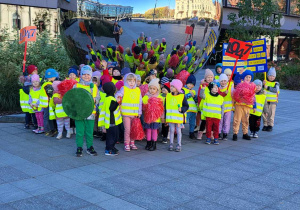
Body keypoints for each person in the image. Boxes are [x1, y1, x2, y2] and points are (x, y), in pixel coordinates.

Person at [74, 65, 100, 157]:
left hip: (90, 112)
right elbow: (72, 97)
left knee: (89, 132)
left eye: (88, 74)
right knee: (80, 131)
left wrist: (95, 100)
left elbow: (98, 98)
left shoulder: (94, 87)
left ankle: (90, 147)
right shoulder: (76, 85)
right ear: (80, 75)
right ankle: (79, 147)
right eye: (84, 74)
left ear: (91, 76)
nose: (86, 76)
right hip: (79, 112)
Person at [115, 73, 142, 151]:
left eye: (133, 81)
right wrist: (118, 97)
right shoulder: (124, 88)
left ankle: (132, 142)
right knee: (127, 129)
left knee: (133, 129)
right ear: (126, 81)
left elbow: (140, 101)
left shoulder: (137, 90)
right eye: (129, 81)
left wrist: (139, 112)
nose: (132, 83)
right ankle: (126, 143)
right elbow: (118, 95)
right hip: (126, 113)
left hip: (135, 114)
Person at [99, 82, 122, 156]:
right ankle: (109, 149)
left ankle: (111, 147)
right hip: (111, 121)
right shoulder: (110, 99)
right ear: (111, 90)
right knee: (112, 137)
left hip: (111, 121)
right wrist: (117, 103)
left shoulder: (108, 98)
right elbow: (111, 109)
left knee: (113, 136)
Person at [165, 79, 189, 152]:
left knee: (178, 131)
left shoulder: (182, 96)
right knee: (171, 130)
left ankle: (179, 144)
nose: (171, 88)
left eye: (173, 86)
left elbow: (186, 106)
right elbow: (165, 106)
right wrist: (164, 116)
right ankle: (171, 143)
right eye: (171, 86)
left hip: (178, 118)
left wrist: (181, 109)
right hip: (171, 117)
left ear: (177, 88)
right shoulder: (168, 96)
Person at [232, 69, 256, 141]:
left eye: (249, 77)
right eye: (246, 77)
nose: (248, 78)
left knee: (246, 120)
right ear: (243, 77)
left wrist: (254, 106)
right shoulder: (240, 83)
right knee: (237, 119)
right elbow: (236, 80)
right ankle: (235, 133)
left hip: (247, 106)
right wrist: (239, 74)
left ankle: (245, 133)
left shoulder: (252, 86)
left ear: (251, 78)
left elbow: (253, 96)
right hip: (239, 105)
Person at [143, 78, 164, 151]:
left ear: (157, 90)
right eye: (150, 88)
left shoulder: (159, 97)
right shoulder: (146, 96)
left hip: (156, 118)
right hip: (148, 117)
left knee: (154, 130)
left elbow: (161, 108)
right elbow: (144, 104)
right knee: (148, 130)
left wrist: (162, 117)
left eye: (154, 89)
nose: (152, 90)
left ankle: (154, 143)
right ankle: (148, 143)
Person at [196, 69, 214, 140]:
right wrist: (200, 105)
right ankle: (200, 132)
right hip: (204, 106)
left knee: (211, 121)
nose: (210, 79)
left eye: (211, 77)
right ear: (205, 78)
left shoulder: (214, 85)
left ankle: (211, 133)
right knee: (203, 121)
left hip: (211, 106)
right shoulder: (202, 86)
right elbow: (199, 96)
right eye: (208, 77)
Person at [40, 68, 58, 137]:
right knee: (47, 116)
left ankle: (52, 129)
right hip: (47, 103)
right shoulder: (48, 85)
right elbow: (51, 94)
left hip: (46, 103)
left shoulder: (45, 83)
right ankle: (48, 130)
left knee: (49, 116)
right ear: (51, 77)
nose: (55, 78)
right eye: (54, 77)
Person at [19, 65, 38, 129]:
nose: (36, 72)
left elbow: (24, 74)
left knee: (28, 113)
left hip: (27, 103)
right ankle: (35, 125)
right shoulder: (33, 78)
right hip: (32, 102)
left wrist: (24, 67)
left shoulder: (26, 79)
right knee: (33, 113)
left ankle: (27, 124)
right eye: (35, 71)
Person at [262, 67, 280, 132]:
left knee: (271, 114)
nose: (271, 77)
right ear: (267, 76)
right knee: (264, 114)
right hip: (265, 102)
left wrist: (268, 87)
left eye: (273, 76)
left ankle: (270, 125)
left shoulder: (276, 83)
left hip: (273, 102)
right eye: (270, 75)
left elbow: (276, 90)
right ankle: (265, 124)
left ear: (275, 77)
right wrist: (263, 84)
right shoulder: (265, 82)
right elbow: (260, 89)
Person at [218, 73, 234, 141]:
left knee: (227, 121)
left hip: (228, 108)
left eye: (225, 81)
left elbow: (233, 95)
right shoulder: (218, 89)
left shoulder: (230, 87)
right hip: (220, 109)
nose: (223, 82)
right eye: (222, 81)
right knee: (220, 121)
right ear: (219, 82)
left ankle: (225, 133)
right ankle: (218, 133)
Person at [183, 75, 197, 139]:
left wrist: (194, 96)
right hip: (187, 110)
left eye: (192, 85)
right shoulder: (183, 89)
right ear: (187, 83)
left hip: (193, 110)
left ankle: (191, 133)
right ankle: (179, 131)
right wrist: (189, 95)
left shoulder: (193, 91)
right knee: (184, 121)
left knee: (192, 123)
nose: (191, 86)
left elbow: (196, 100)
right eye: (190, 84)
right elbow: (183, 97)